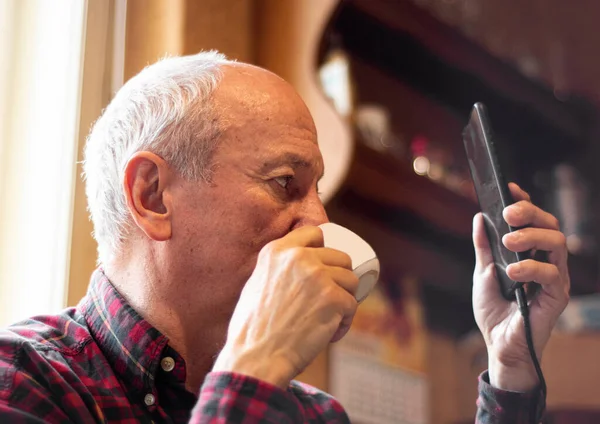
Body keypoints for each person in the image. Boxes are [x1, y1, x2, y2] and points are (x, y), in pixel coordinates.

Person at [0, 51, 569, 423]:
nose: (320, 223)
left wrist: (509, 368)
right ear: (152, 196)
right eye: (284, 182)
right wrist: (258, 361)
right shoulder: (25, 383)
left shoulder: (312, 416)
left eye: (317, 189)